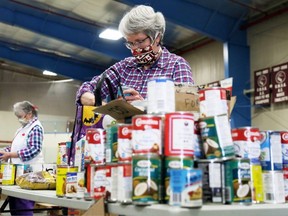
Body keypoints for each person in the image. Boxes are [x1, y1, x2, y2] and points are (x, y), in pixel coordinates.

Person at [77, 5, 194, 106]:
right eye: (131, 43)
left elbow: (186, 109)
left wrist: (143, 106)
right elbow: (86, 90)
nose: (135, 48)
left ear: (157, 38)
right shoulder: (124, 67)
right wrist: (110, 108)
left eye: (140, 41)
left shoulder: (177, 66)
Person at [0, 101, 44, 216]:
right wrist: (5, 151)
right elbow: (16, 146)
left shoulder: (36, 127)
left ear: (29, 114)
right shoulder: (22, 129)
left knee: (23, 207)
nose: (19, 119)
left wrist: (10, 155)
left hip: (29, 175)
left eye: (19, 116)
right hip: (18, 174)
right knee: (15, 207)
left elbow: (34, 149)